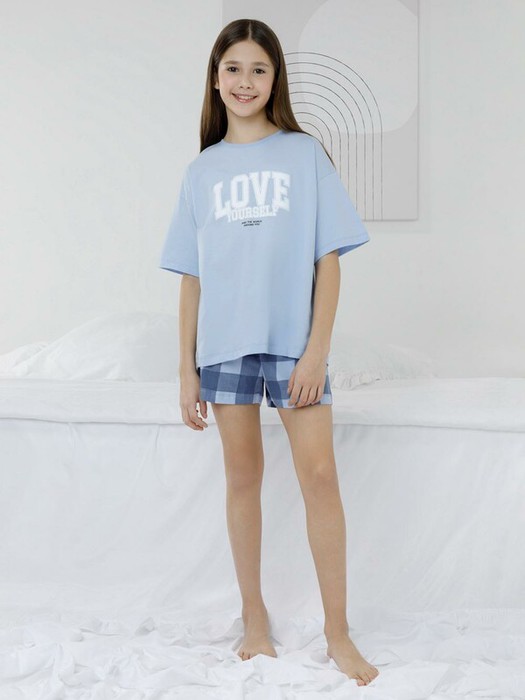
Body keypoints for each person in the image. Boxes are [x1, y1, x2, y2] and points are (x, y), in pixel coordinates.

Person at [159, 17, 379, 688]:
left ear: (275, 78)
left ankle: (338, 632)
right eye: (233, 68)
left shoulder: (303, 155)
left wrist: (316, 351)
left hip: (292, 348)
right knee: (242, 478)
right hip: (224, 348)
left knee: (320, 478)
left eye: (258, 68)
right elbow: (192, 278)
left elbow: (328, 260)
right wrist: (186, 371)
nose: (245, 81)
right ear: (215, 79)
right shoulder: (201, 172)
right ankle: (253, 617)